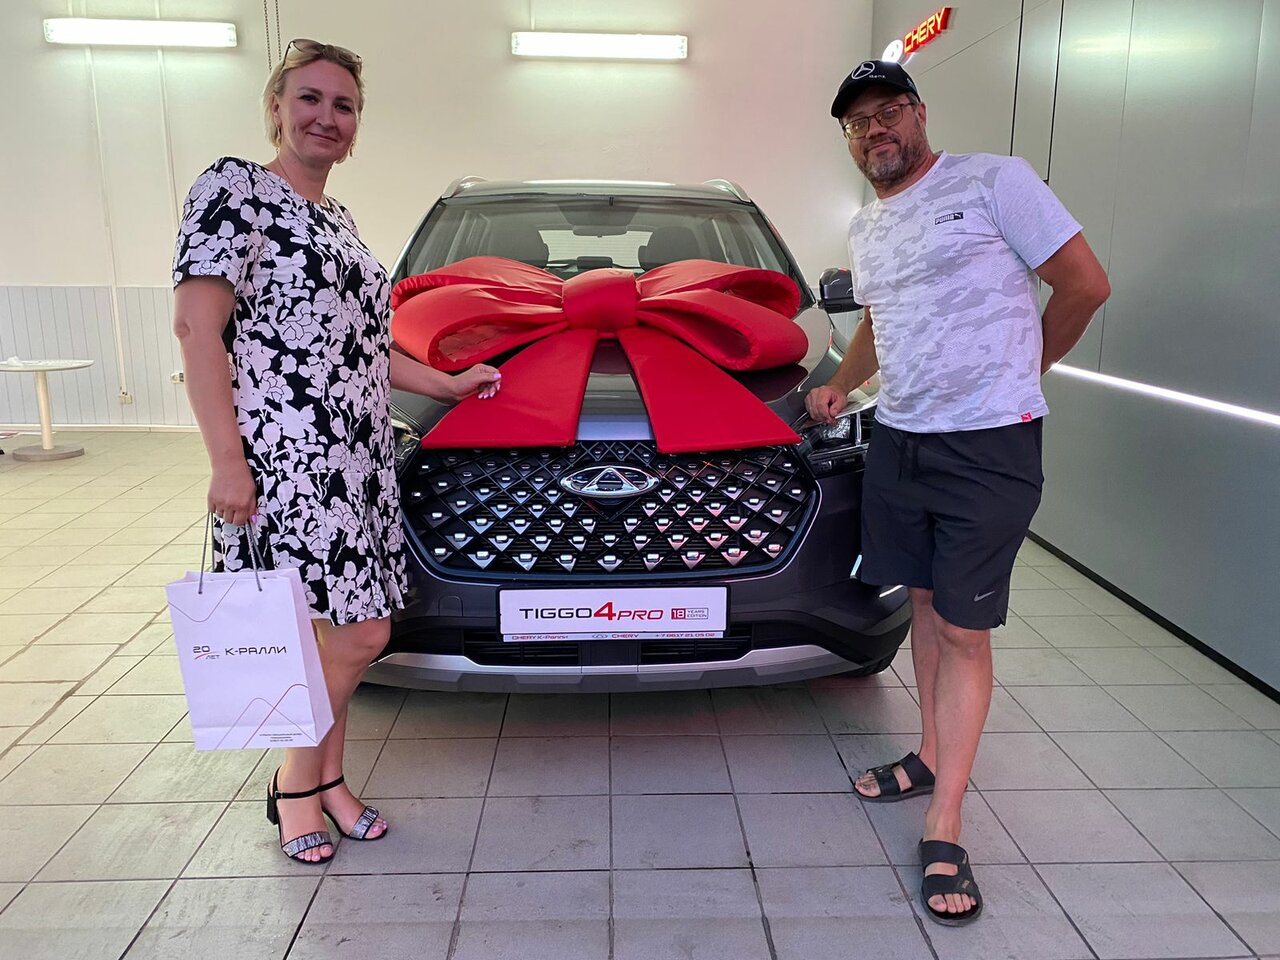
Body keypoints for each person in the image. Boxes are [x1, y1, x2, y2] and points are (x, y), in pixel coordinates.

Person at [172, 38, 501, 864]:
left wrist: (447, 384)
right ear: (277, 108)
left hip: (357, 459)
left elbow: (363, 347)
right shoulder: (235, 189)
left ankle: (330, 783)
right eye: (310, 98)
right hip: (286, 457)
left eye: (344, 105)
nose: (327, 116)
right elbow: (197, 330)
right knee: (360, 636)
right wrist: (227, 463)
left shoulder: (338, 221)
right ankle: (292, 785)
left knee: (332, 634)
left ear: (356, 126)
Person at [807, 59, 1110, 924]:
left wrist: (1022, 368)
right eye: (858, 122)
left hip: (988, 446)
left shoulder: (993, 182)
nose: (875, 130)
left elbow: (1087, 284)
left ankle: (945, 823)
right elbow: (880, 320)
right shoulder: (868, 226)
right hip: (900, 438)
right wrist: (843, 384)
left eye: (888, 111)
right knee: (926, 606)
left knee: (966, 632)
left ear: (918, 113)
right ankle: (931, 755)